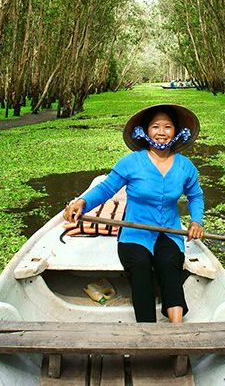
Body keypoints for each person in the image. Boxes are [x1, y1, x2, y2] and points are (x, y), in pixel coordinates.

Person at [64, 104, 204, 324]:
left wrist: (196, 221)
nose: (161, 132)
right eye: (155, 126)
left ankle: (177, 328)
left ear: (176, 132)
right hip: (134, 233)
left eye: (168, 127)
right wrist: (82, 202)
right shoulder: (131, 162)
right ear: (145, 131)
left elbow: (196, 196)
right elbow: (106, 189)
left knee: (170, 264)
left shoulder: (185, 166)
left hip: (169, 232)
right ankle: (146, 328)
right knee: (140, 267)